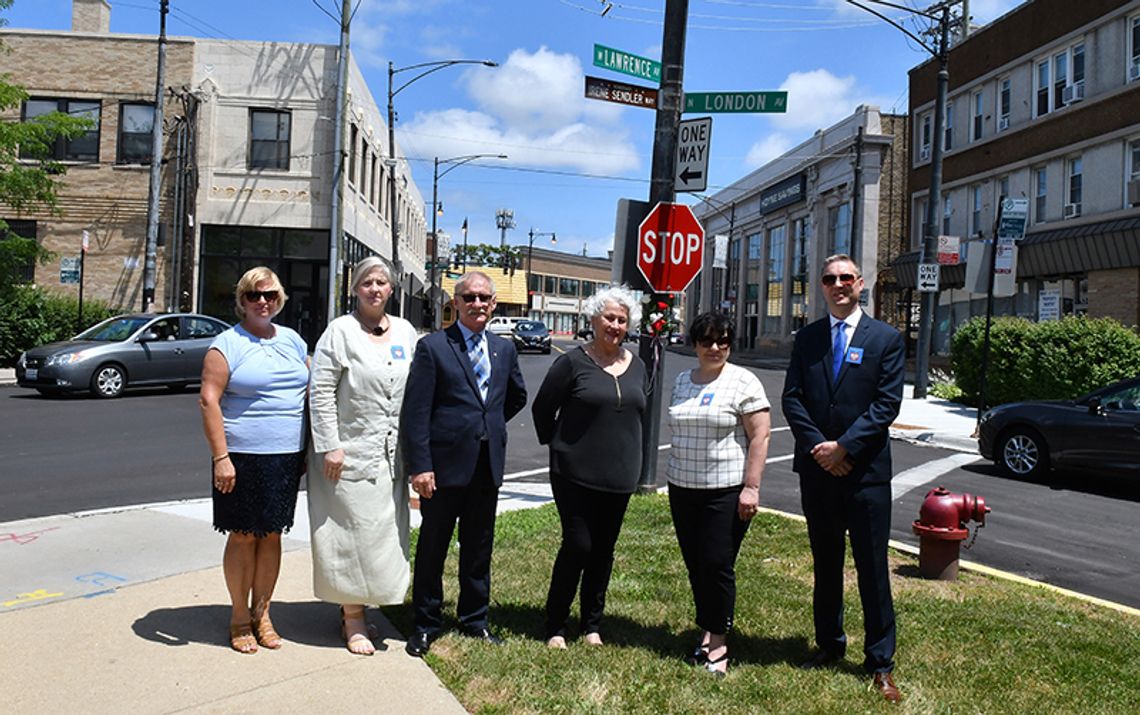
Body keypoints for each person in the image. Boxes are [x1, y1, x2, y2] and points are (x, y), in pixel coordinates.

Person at [781, 254, 905, 703]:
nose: (838, 285)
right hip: (818, 472)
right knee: (826, 562)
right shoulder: (808, 338)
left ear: (860, 283)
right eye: (830, 279)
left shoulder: (886, 339)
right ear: (821, 286)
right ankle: (829, 644)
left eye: (846, 278)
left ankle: (880, 663)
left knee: (872, 569)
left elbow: (886, 406)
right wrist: (823, 449)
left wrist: (845, 448)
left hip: (865, 474)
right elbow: (793, 399)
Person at [400, 271, 527, 658]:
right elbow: (416, 412)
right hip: (442, 468)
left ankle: (475, 620)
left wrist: (485, 425)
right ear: (455, 303)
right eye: (468, 297)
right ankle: (425, 623)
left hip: (486, 466)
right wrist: (421, 466)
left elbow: (515, 397)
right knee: (433, 548)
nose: (476, 304)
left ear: (493, 304)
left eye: (483, 298)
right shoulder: (434, 347)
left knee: (478, 548)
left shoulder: (504, 350)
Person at [307, 256, 417, 655]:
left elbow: (417, 391)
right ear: (356, 288)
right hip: (348, 454)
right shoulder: (340, 332)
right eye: (367, 282)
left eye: (382, 283)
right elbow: (319, 392)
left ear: (391, 290)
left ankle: (366, 605)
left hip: (391, 458)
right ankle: (352, 616)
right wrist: (329, 446)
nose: (375, 289)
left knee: (381, 537)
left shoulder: (406, 332)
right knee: (350, 535)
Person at [199, 266, 309, 654]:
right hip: (241, 455)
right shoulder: (226, 344)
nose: (263, 302)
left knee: (273, 534)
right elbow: (209, 399)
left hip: (286, 456)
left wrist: (311, 448)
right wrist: (221, 458)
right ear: (241, 300)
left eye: (270, 295)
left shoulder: (294, 341)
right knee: (243, 535)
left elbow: (310, 392)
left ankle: (263, 614)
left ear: (280, 299)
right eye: (254, 295)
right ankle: (238, 617)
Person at [532, 286, 646, 649]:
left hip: (620, 474)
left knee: (604, 550)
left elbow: (638, 412)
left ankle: (592, 623)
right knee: (578, 545)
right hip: (574, 473)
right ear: (594, 320)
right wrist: (561, 445)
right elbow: (542, 409)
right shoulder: (572, 362)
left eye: (621, 320)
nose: (614, 325)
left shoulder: (638, 365)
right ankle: (555, 624)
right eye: (609, 318)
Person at [666, 312, 771, 677]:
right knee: (696, 564)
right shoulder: (682, 380)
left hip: (725, 491)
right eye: (707, 340)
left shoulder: (744, 382)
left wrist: (751, 487)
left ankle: (720, 642)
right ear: (694, 344)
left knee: (716, 564)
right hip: (682, 487)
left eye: (723, 340)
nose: (715, 347)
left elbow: (760, 436)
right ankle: (706, 630)